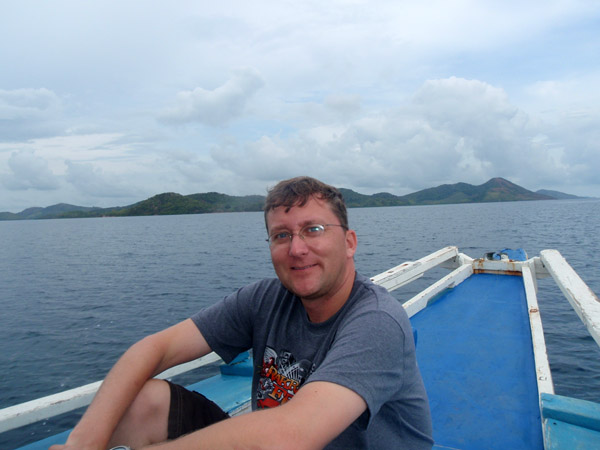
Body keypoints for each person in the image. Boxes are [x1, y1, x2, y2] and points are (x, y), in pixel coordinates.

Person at [51, 176, 433, 450]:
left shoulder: (377, 321)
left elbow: (290, 436)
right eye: (282, 235)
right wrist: (83, 443)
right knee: (143, 400)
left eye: (313, 230)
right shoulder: (264, 299)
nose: (296, 249)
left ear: (349, 242)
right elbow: (155, 348)